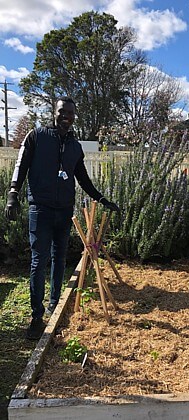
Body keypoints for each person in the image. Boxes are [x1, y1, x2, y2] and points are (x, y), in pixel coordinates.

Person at [4, 97, 120, 340]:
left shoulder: (75, 147)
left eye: (70, 112)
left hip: (64, 210)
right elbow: (21, 164)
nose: (66, 116)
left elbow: (83, 178)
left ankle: (55, 304)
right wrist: (13, 193)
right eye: (62, 111)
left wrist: (101, 199)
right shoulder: (37, 136)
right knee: (39, 259)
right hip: (41, 209)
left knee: (59, 258)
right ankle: (36, 316)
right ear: (53, 113)